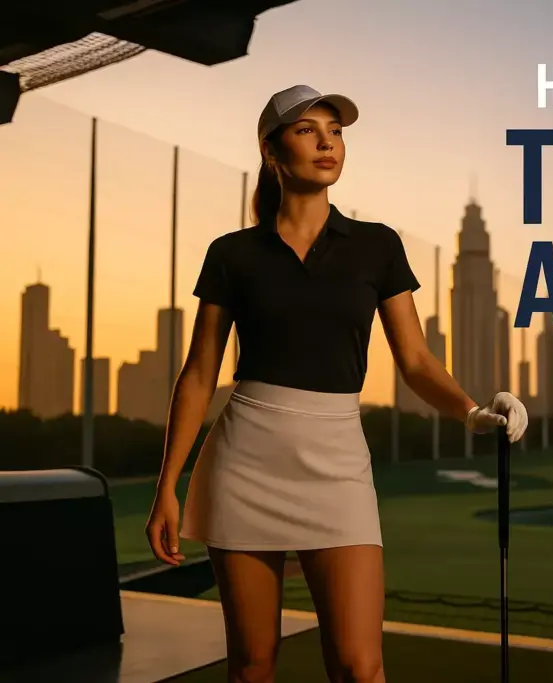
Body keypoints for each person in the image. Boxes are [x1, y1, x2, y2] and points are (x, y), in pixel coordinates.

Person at [145, 85, 529, 683]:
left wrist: (473, 412)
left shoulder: (377, 245)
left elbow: (417, 361)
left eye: (337, 130)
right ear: (272, 152)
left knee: (358, 665)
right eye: (307, 130)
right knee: (252, 666)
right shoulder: (233, 254)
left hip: (338, 460)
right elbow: (199, 373)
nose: (327, 141)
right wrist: (167, 486)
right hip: (245, 458)